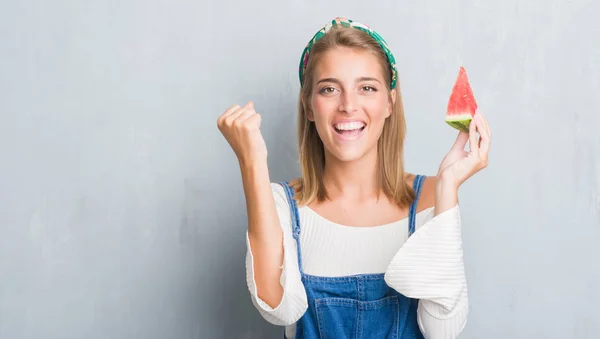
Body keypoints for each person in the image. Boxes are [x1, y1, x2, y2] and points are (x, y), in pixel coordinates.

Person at [217, 17, 491, 339]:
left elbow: (441, 331)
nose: (348, 106)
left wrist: (447, 189)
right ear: (308, 106)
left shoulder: (432, 199)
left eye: (367, 88)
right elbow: (277, 308)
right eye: (330, 89)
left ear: (389, 103)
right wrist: (251, 162)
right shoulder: (281, 204)